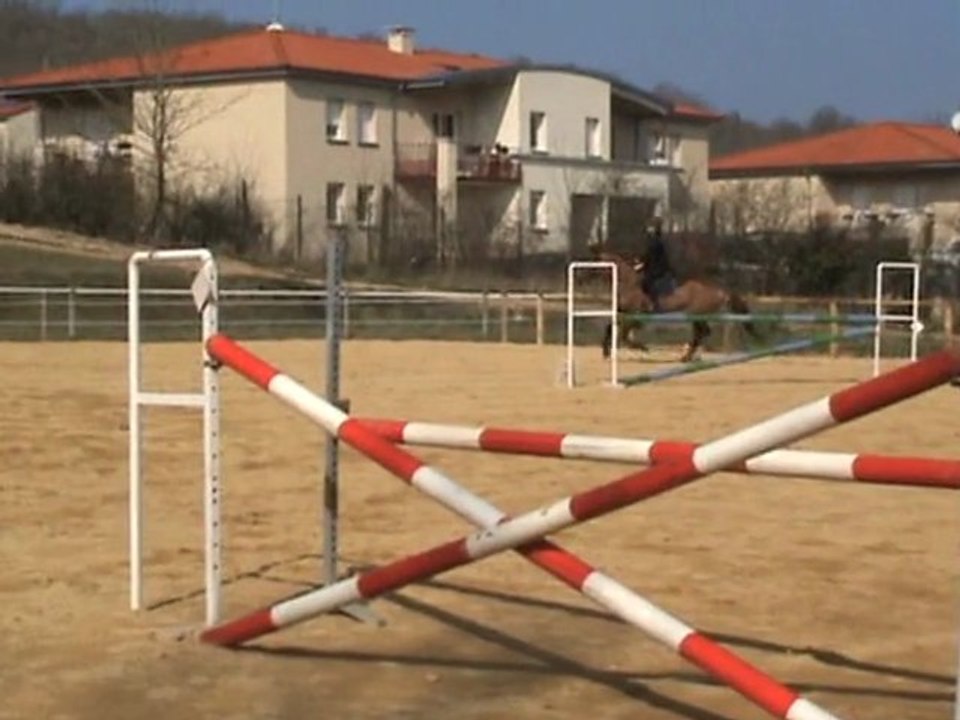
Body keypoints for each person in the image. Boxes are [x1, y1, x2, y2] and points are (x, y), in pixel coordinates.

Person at [637, 219, 675, 311]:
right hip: (654, 266)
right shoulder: (653, 240)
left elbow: (650, 255)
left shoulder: (656, 241)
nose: (648, 229)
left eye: (650, 227)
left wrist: (642, 263)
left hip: (659, 269)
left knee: (647, 281)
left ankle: (655, 304)